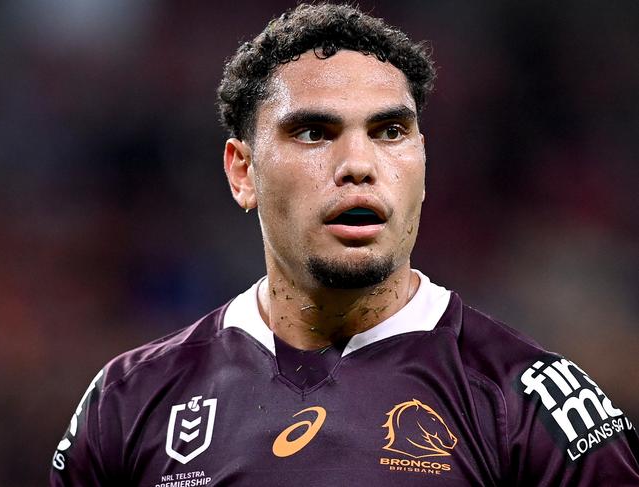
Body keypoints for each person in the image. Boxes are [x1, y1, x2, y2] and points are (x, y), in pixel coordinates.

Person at [50, 3, 639, 486]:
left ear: (423, 165)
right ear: (242, 172)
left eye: (389, 131)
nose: (359, 164)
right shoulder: (129, 402)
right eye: (313, 132)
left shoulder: (528, 405)